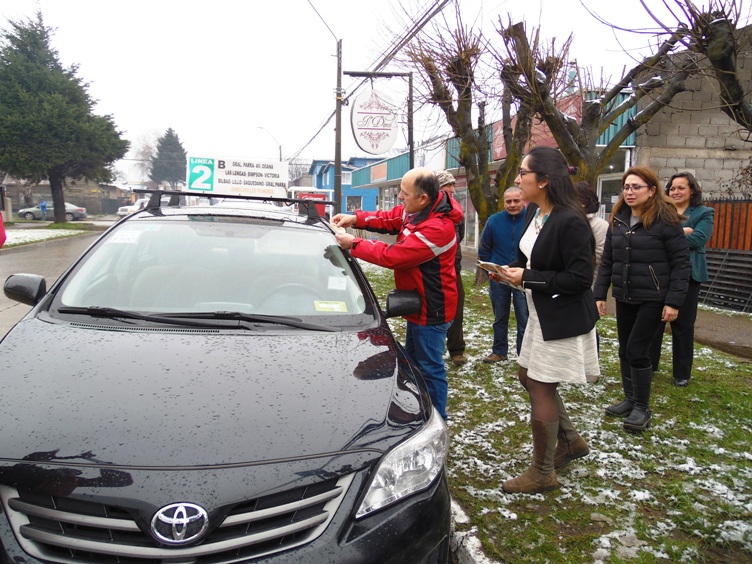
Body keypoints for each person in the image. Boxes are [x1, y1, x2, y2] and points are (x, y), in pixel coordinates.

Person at [497, 147, 600, 494]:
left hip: (563, 318)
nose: (517, 180)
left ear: (543, 180)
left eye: (523, 173)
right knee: (527, 375)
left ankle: (542, 473)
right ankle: (570, 442)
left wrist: (526, 279)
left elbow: (579, 279)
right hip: (542, 314)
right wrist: (510, 271)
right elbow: (533, 258)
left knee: (541, 385)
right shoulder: (536, 214)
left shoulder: (571, 221)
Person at [332, 167, 463, 420]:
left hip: (432, 309)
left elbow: (395, 256)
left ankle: (436, 419)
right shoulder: (419, 210)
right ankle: (416, 410)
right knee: (413, 363)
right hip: (418, 305)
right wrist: (356, 219)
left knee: (430, 368)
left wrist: (355, 243)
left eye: (404, 194)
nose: (400, 198)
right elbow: (391, 218)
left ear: (423, 198)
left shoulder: (439, 228)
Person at [594, 166, 690, 433]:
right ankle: (630, 399)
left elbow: (681, 264)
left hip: (654, 297)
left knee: (637, 350)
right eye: (626, 187)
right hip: (625, 295)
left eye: (636, 187)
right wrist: (599, 293)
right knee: (625, 349)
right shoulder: (619, 219)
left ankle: (642, 408)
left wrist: (674, 302)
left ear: (651, 190)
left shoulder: (665, 220)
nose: (629, 192)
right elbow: (608, 262)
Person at [649, 172, 715, 387]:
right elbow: (651, 238)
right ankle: (649, 365)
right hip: (660, 274)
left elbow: (699, 238)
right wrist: (681, 233)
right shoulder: (660, 211)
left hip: (689, 275)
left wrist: (670, 238)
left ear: (692, 191)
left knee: (683, 325)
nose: (675, 192)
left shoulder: (704, 213)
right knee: (654, 322)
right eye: (672, 188)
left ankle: (682, 373)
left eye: (681, 188)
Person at [478, 186, 529, 363]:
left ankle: (524, 356)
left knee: (525, 318)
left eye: (517, 201)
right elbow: (484, 248)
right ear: (503, 202)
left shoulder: (531, 220)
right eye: (509, 201)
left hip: (523, 277)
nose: (513, 205)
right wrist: (489, 271)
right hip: (498, 279)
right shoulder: (494, 221)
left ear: (524, 201)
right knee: (500, 317)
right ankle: (499, 351)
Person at [436, 170, 467, 366]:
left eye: (454, 185)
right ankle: (433, 349)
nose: (452, 189)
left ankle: (456, 350)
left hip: (453, 265)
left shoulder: (457, 212)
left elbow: (460, 236)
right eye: (448, 185)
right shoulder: (427, 210)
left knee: (457, 306)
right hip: (431, 267)